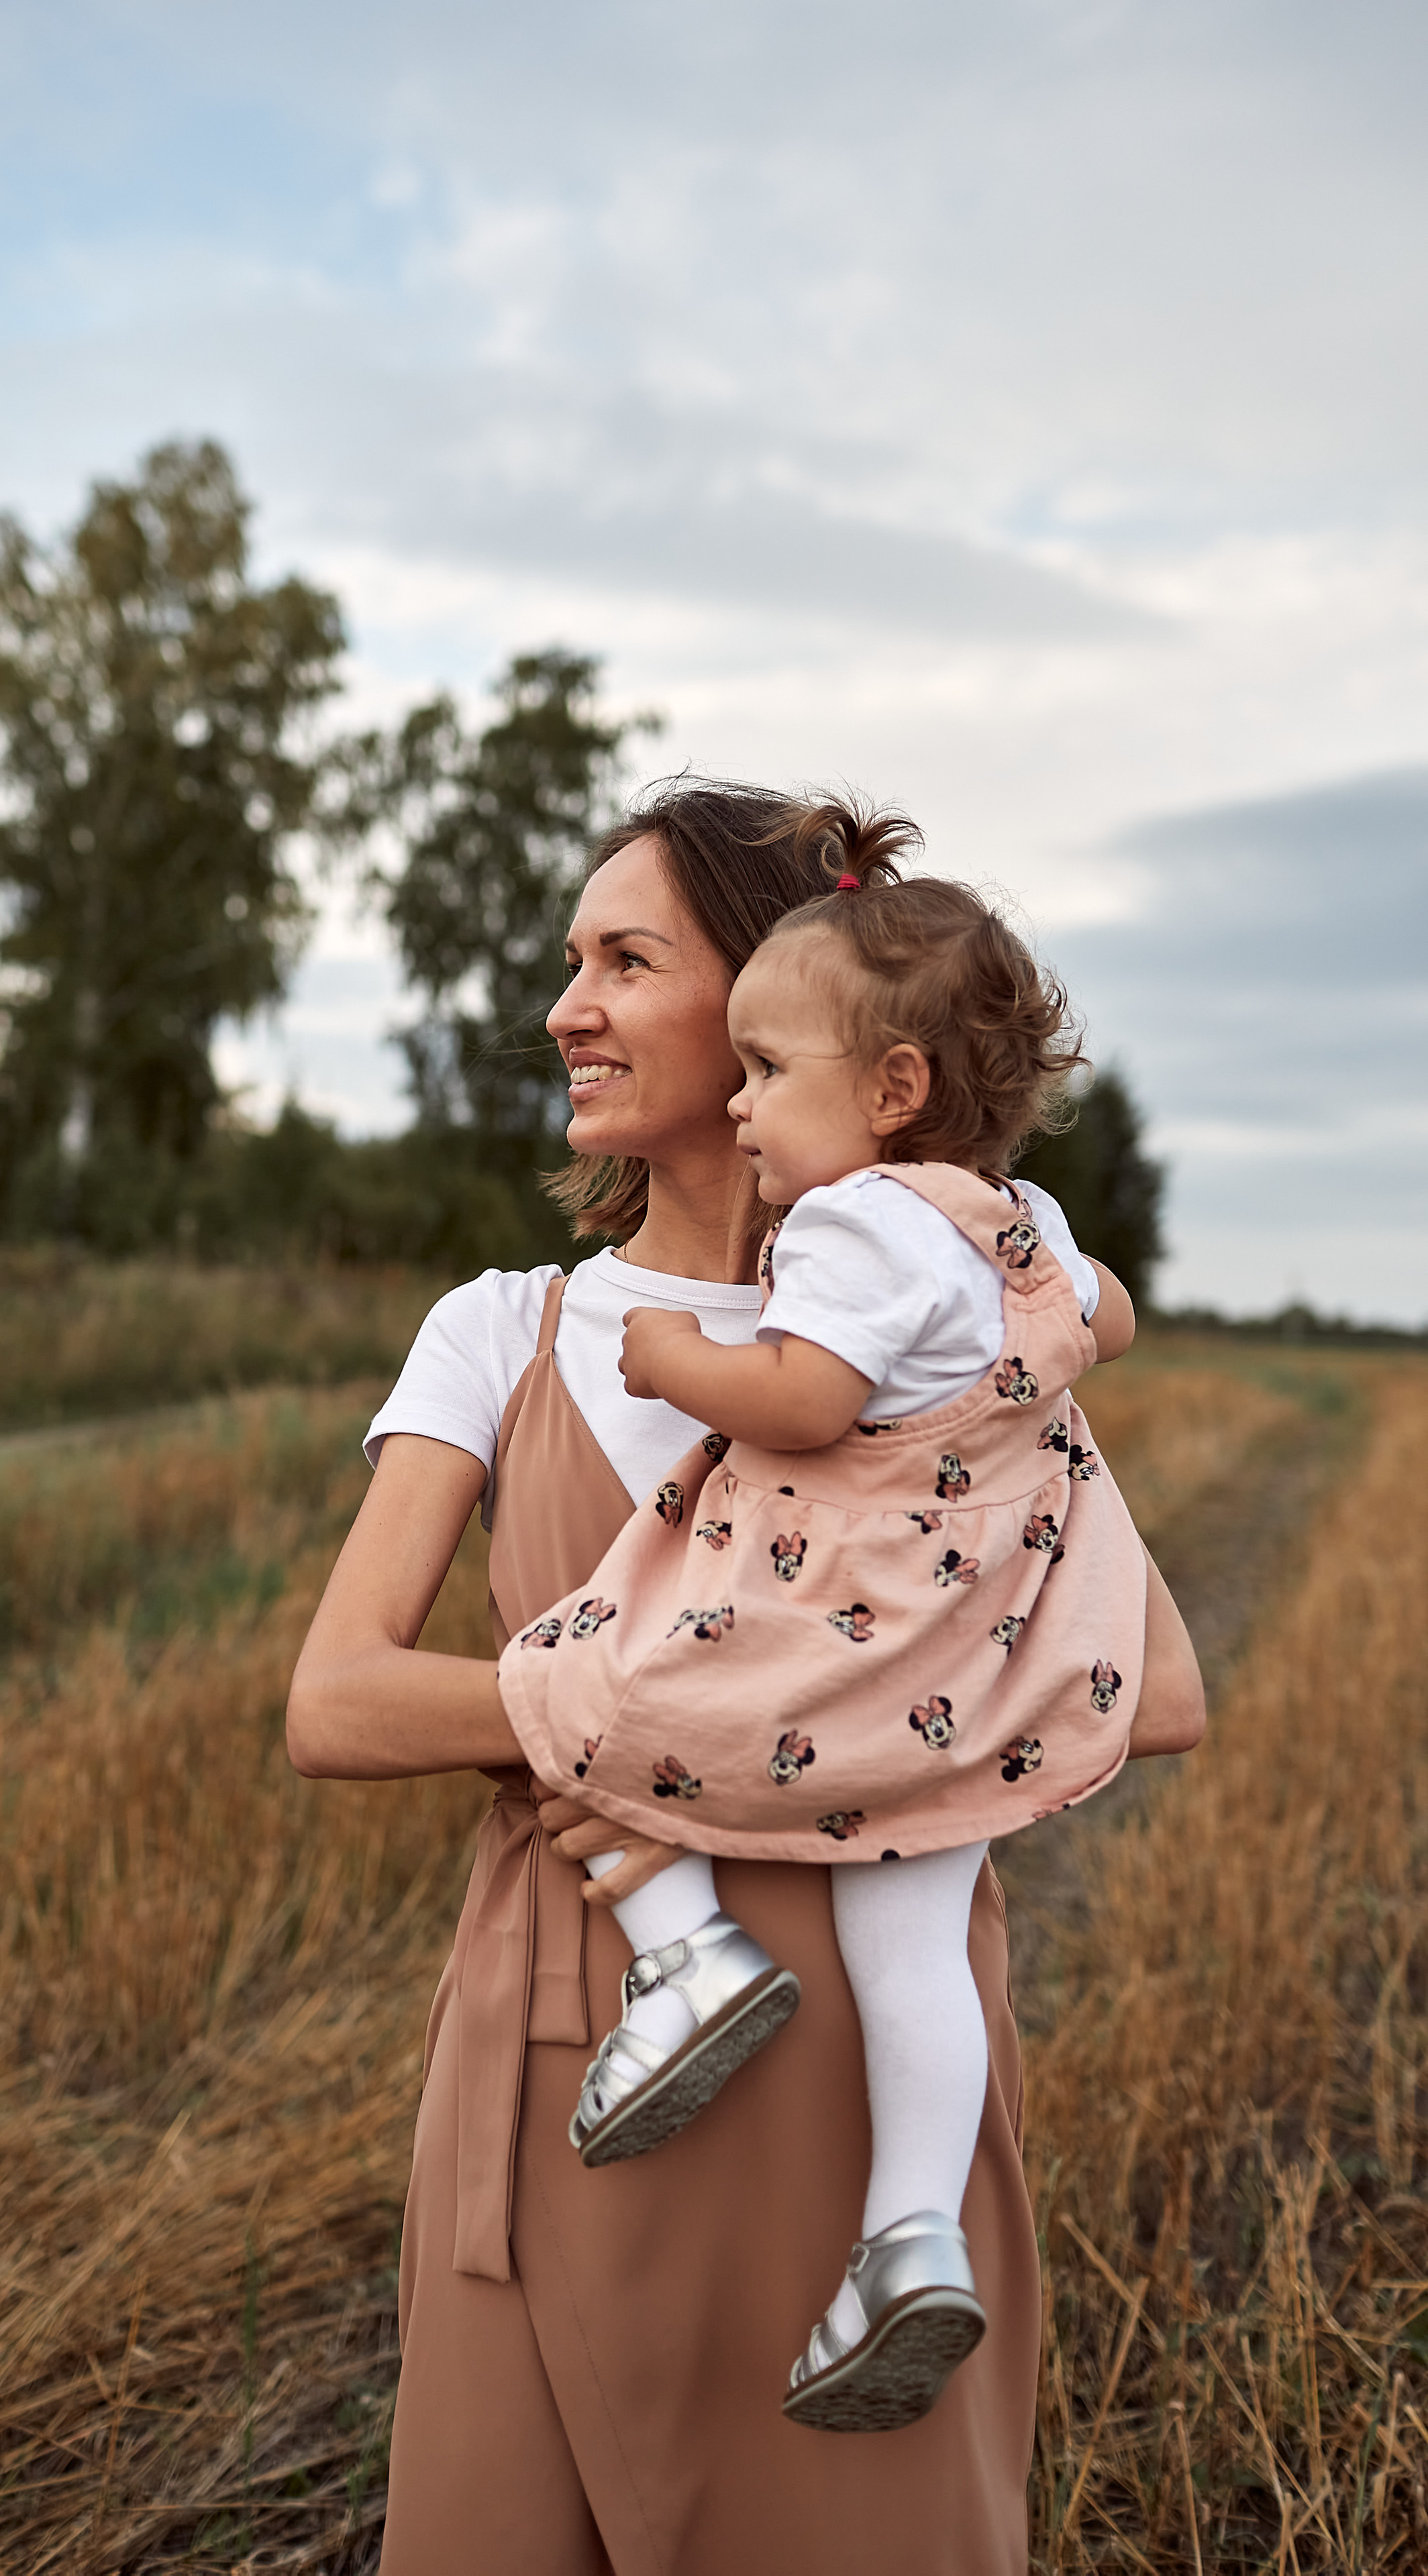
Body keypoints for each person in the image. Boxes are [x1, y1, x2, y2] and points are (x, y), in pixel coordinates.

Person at [287, 783, 1206, 2576]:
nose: (569, 1007)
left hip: (869, 2102)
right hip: (571, 2070)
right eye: (571, 962)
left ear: (788, 1005)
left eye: (626, 959)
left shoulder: (951, 1348)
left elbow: (1147, 1686)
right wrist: (684, 1714)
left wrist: (645, 1727)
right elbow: (335, 1703)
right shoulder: (507, 1330)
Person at [495, 842, 1158, 2436]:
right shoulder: (1015, 1217)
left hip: (838, 1607)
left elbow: (803, 1398)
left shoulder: (856, 1226)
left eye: (768, 1071)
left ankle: (686, 1947)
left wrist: (665, 1357)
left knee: (574, 1684)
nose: (737, 1105)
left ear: (892, 1087)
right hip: (971, 1658)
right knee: (909, 1951)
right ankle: (907, 2238)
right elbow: (1101, 1318)